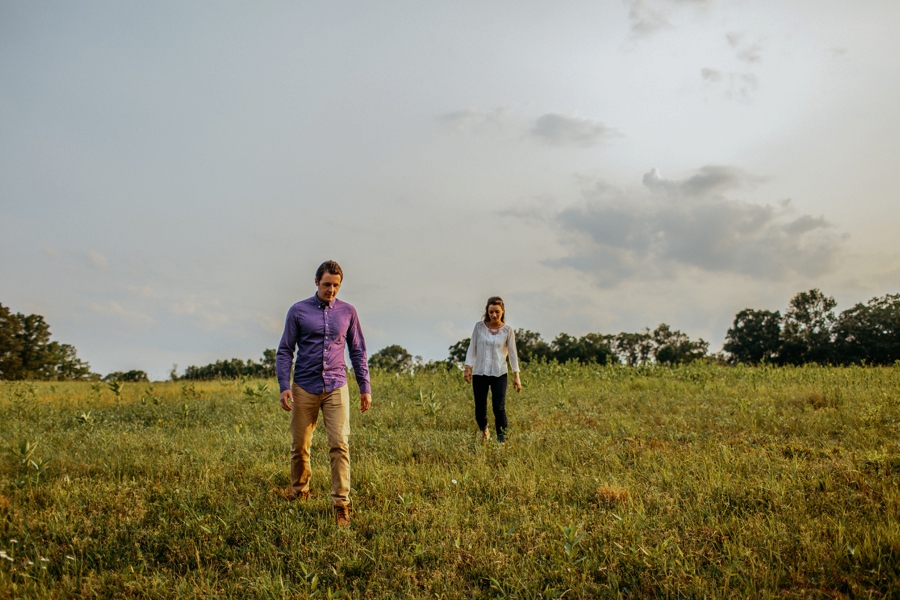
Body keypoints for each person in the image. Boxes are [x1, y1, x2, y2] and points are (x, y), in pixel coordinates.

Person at [276, 260, 372, 527]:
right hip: (304, 386)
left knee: (340, 444)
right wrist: (285, 385)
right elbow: (285, 350)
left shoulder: (348, 312)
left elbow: (358, 351)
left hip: (336, 386)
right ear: (317, 282)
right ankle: (300, 491)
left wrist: (365, 387)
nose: (332, 290)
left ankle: (341, 503)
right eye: (327, 284)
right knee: (300, 447)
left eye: (336, 285)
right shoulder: (298, 311)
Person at [463, 296, 521, 443]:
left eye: (497, 312)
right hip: (480, 373)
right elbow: (472, 348)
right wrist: (467, 368)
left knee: (499, 408)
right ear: (487, 312)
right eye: (491, 312)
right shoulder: (479, 327)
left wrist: (516, 376)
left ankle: (502, 439)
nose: (494, 315)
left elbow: (513, 354)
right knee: (480, 409)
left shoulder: (508, 331)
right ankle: (484, 430)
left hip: (499, 373)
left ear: (502, 312)